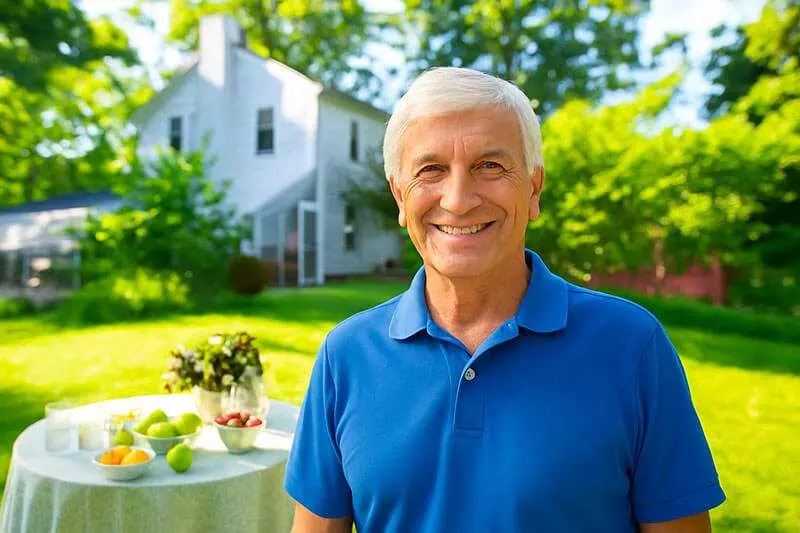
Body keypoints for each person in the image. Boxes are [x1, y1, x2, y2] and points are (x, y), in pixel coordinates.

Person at [284, 67, 725, 532]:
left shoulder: (631, 346)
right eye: (430, 170)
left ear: (533, 188)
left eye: (489, 166)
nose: (457, 199)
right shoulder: (346, 355)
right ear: (399, 195)